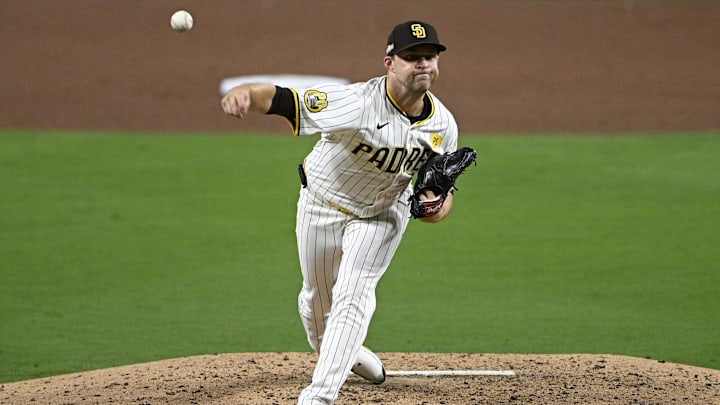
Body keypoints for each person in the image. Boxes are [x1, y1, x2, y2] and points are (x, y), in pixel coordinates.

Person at [221, 20, 459, 405]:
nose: (423, 65)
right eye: (411, 57)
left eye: (429, 57)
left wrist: (435, 207)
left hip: (381, 215)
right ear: (389, 63)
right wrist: (246, 93)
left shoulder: (443, 127)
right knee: (318, 306)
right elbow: (287, 101)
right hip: (321, 205)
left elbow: (440, 198)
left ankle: (319, 396)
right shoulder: (357, 102)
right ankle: (350, 353)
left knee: (354, 293)